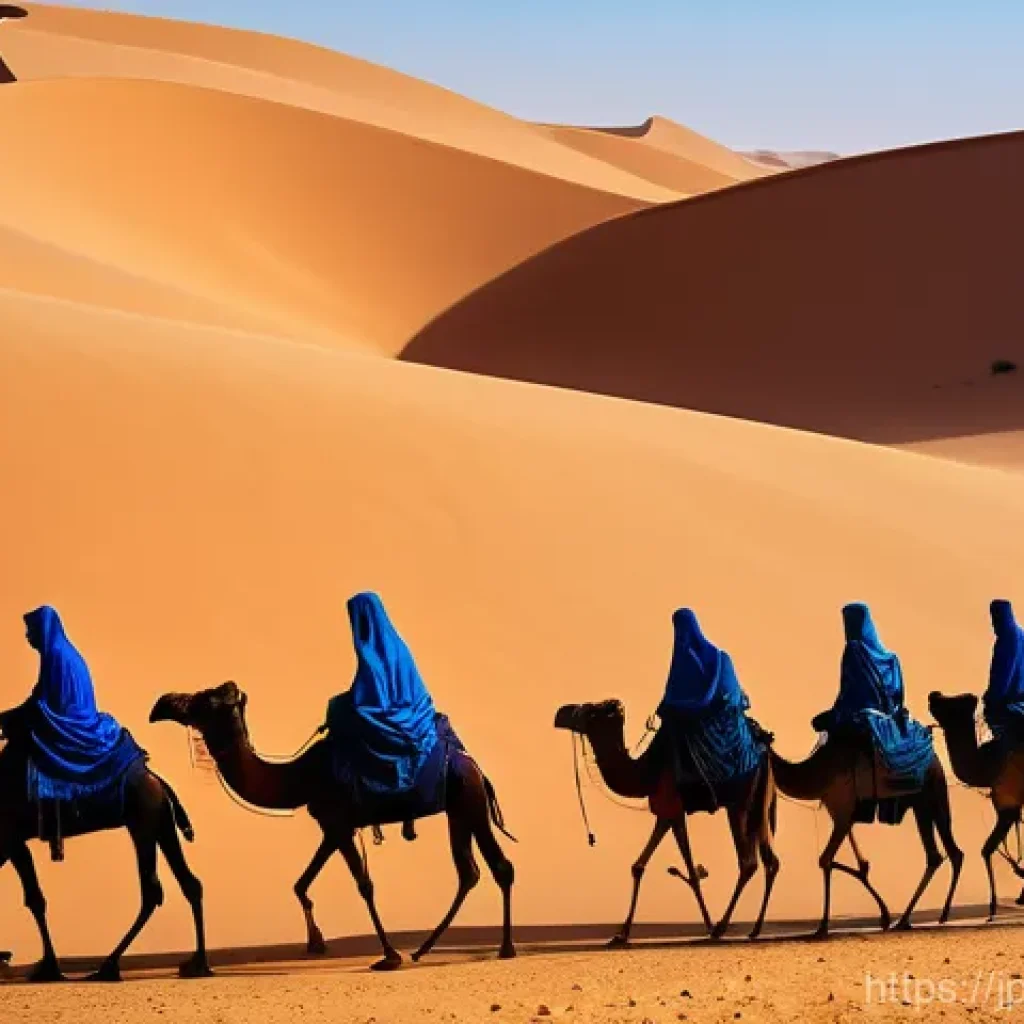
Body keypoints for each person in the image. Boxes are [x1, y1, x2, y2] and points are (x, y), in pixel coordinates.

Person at [0, 606, 144, 858]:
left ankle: (49, 822)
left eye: (30, 630)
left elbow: (51, 707)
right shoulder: (55, 654)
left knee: (20, 756)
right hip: (64, 719)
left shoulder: (57, 655)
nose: (27, 636)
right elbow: (39, 697)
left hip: (71, 727)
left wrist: (16, 721)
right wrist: (9, 717)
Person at [324, 592, 441, 800]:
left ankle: (352, 798)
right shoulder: (397, 645)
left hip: (393, 725)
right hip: (415, 714)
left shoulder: (372, 654)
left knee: (341, 719)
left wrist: (336, 708)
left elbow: (369, 702)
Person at [812, 602, 910, 739]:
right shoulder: (891, 659)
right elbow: (898, 696)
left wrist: (835, 712)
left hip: (860, 712)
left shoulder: (854, 649)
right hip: (890, 715)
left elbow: (851, 689)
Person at [982, 599, 1024, 743]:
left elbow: (1002, 675)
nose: (993, 623)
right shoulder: (1019, 634)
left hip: (1011, 705)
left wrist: (990, 699)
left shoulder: (1008, 638)